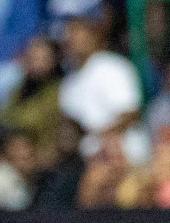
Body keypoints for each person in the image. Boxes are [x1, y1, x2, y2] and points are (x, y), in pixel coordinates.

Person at [58, 12, 143, 160]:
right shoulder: (68, 81)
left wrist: (98, 137)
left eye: (77, 33)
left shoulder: (112, 66)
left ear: (93, 36)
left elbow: (130, 114)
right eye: (69, 35)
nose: (72, 39)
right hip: (86, 160)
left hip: (124, 155)